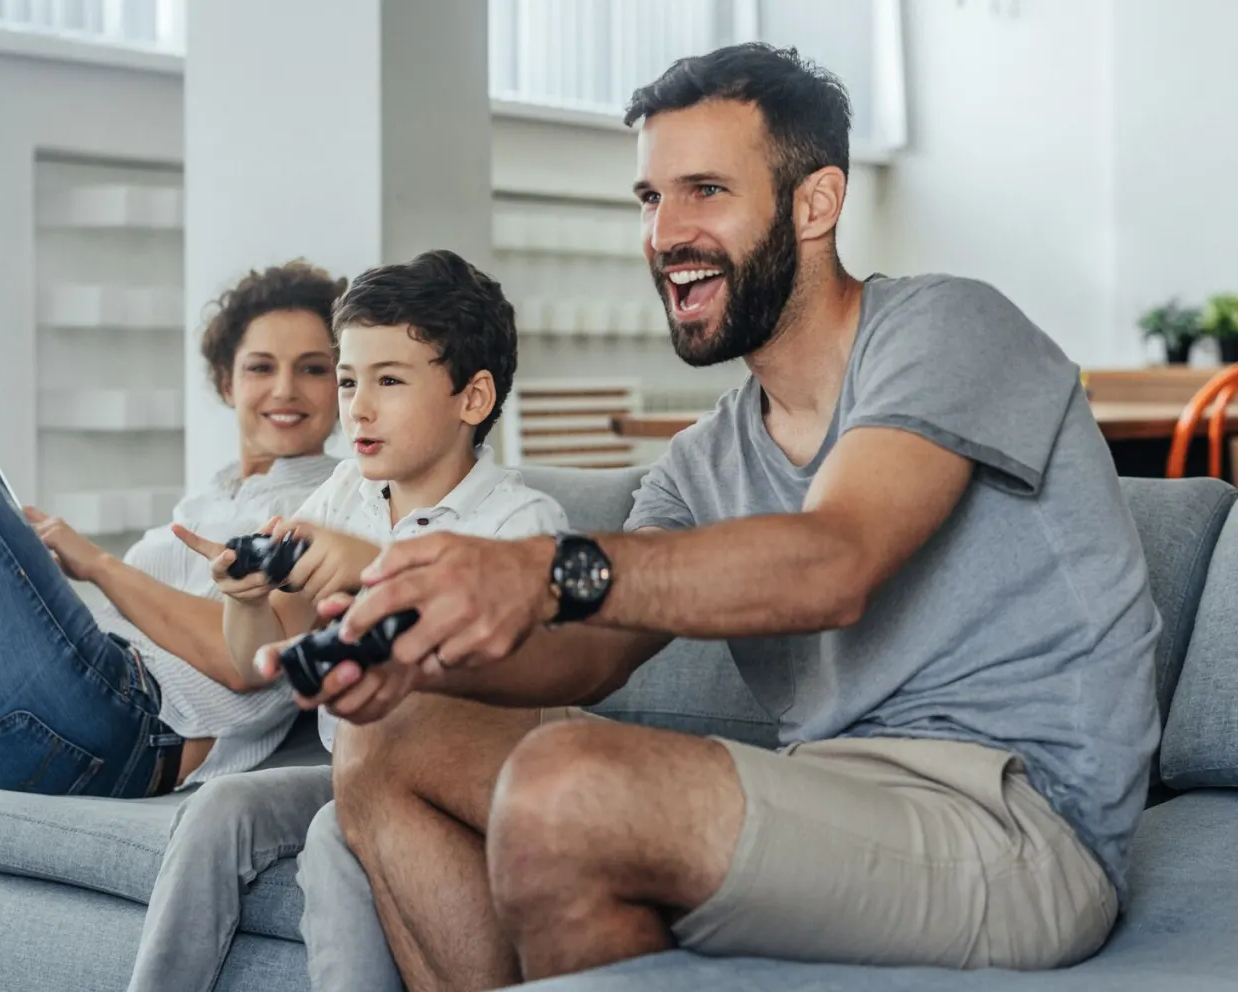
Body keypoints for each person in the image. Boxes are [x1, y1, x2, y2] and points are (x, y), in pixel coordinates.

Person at [285, 43, 1161, 990]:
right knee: (386, 742)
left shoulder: (948, 328)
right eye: (650, 199)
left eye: (705, 190)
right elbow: (591, 652)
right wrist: (415, 643)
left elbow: (833, 562)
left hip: (1020, 825)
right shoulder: (706, 459)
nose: (666, 234)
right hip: (831, 796)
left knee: (564, 783)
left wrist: (536, 570)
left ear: (815, 203)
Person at [123, 249, 568, 992]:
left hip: (454, 783)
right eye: (352, 379)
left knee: (337, 836)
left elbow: (505, 689)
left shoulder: (520, 525)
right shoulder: (345, 493)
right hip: (344, 770)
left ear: (473, 397)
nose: (356, 407)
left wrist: (372, 567)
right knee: (223, 807)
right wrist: (248, 599)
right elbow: (261, 655)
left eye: (389, 382)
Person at [0, 260, 347, 797]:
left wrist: (99, 565)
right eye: (261, 367)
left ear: (342, 386)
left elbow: (249, 664)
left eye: (313, 368)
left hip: (121, 731)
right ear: (227, 382)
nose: (285, 390)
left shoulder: (332, 510)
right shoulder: (207, 499)